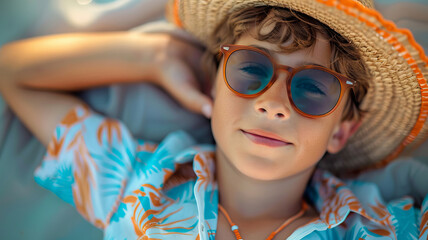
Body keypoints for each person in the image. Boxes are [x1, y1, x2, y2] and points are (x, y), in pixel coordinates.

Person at [0, 0, 428, 239]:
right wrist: (154, 57)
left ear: (342, 131)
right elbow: (13, 73)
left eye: (313, 89)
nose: (273, 104)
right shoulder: (137, 187)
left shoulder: (385, 228)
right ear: (211, 89)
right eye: (251, 70)